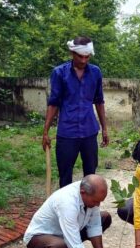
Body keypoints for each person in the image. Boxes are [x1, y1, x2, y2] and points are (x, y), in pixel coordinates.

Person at [23, 174, 125, 248]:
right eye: (95, 201)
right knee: (59, 246)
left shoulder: (90, 193)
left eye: (100, 201)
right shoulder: (67, 202)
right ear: (82, 192)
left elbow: (95, 226)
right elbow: (76, 246)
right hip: (39, 238)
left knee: (104, 217)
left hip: (68, 232)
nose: (98, 205)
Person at [42, 36, 108, 188]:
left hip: (89, 131)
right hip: (67, 133)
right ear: (72, 52)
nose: (84, 60)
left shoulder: (95, 72)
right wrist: (45, 131)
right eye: (80, 56)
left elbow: (99, 101)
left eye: (87, 56)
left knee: (91, 177)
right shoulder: (59, 73)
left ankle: (88, 209)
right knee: (65, 175)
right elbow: (53, 103)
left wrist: (104, 128)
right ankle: (67, 210)